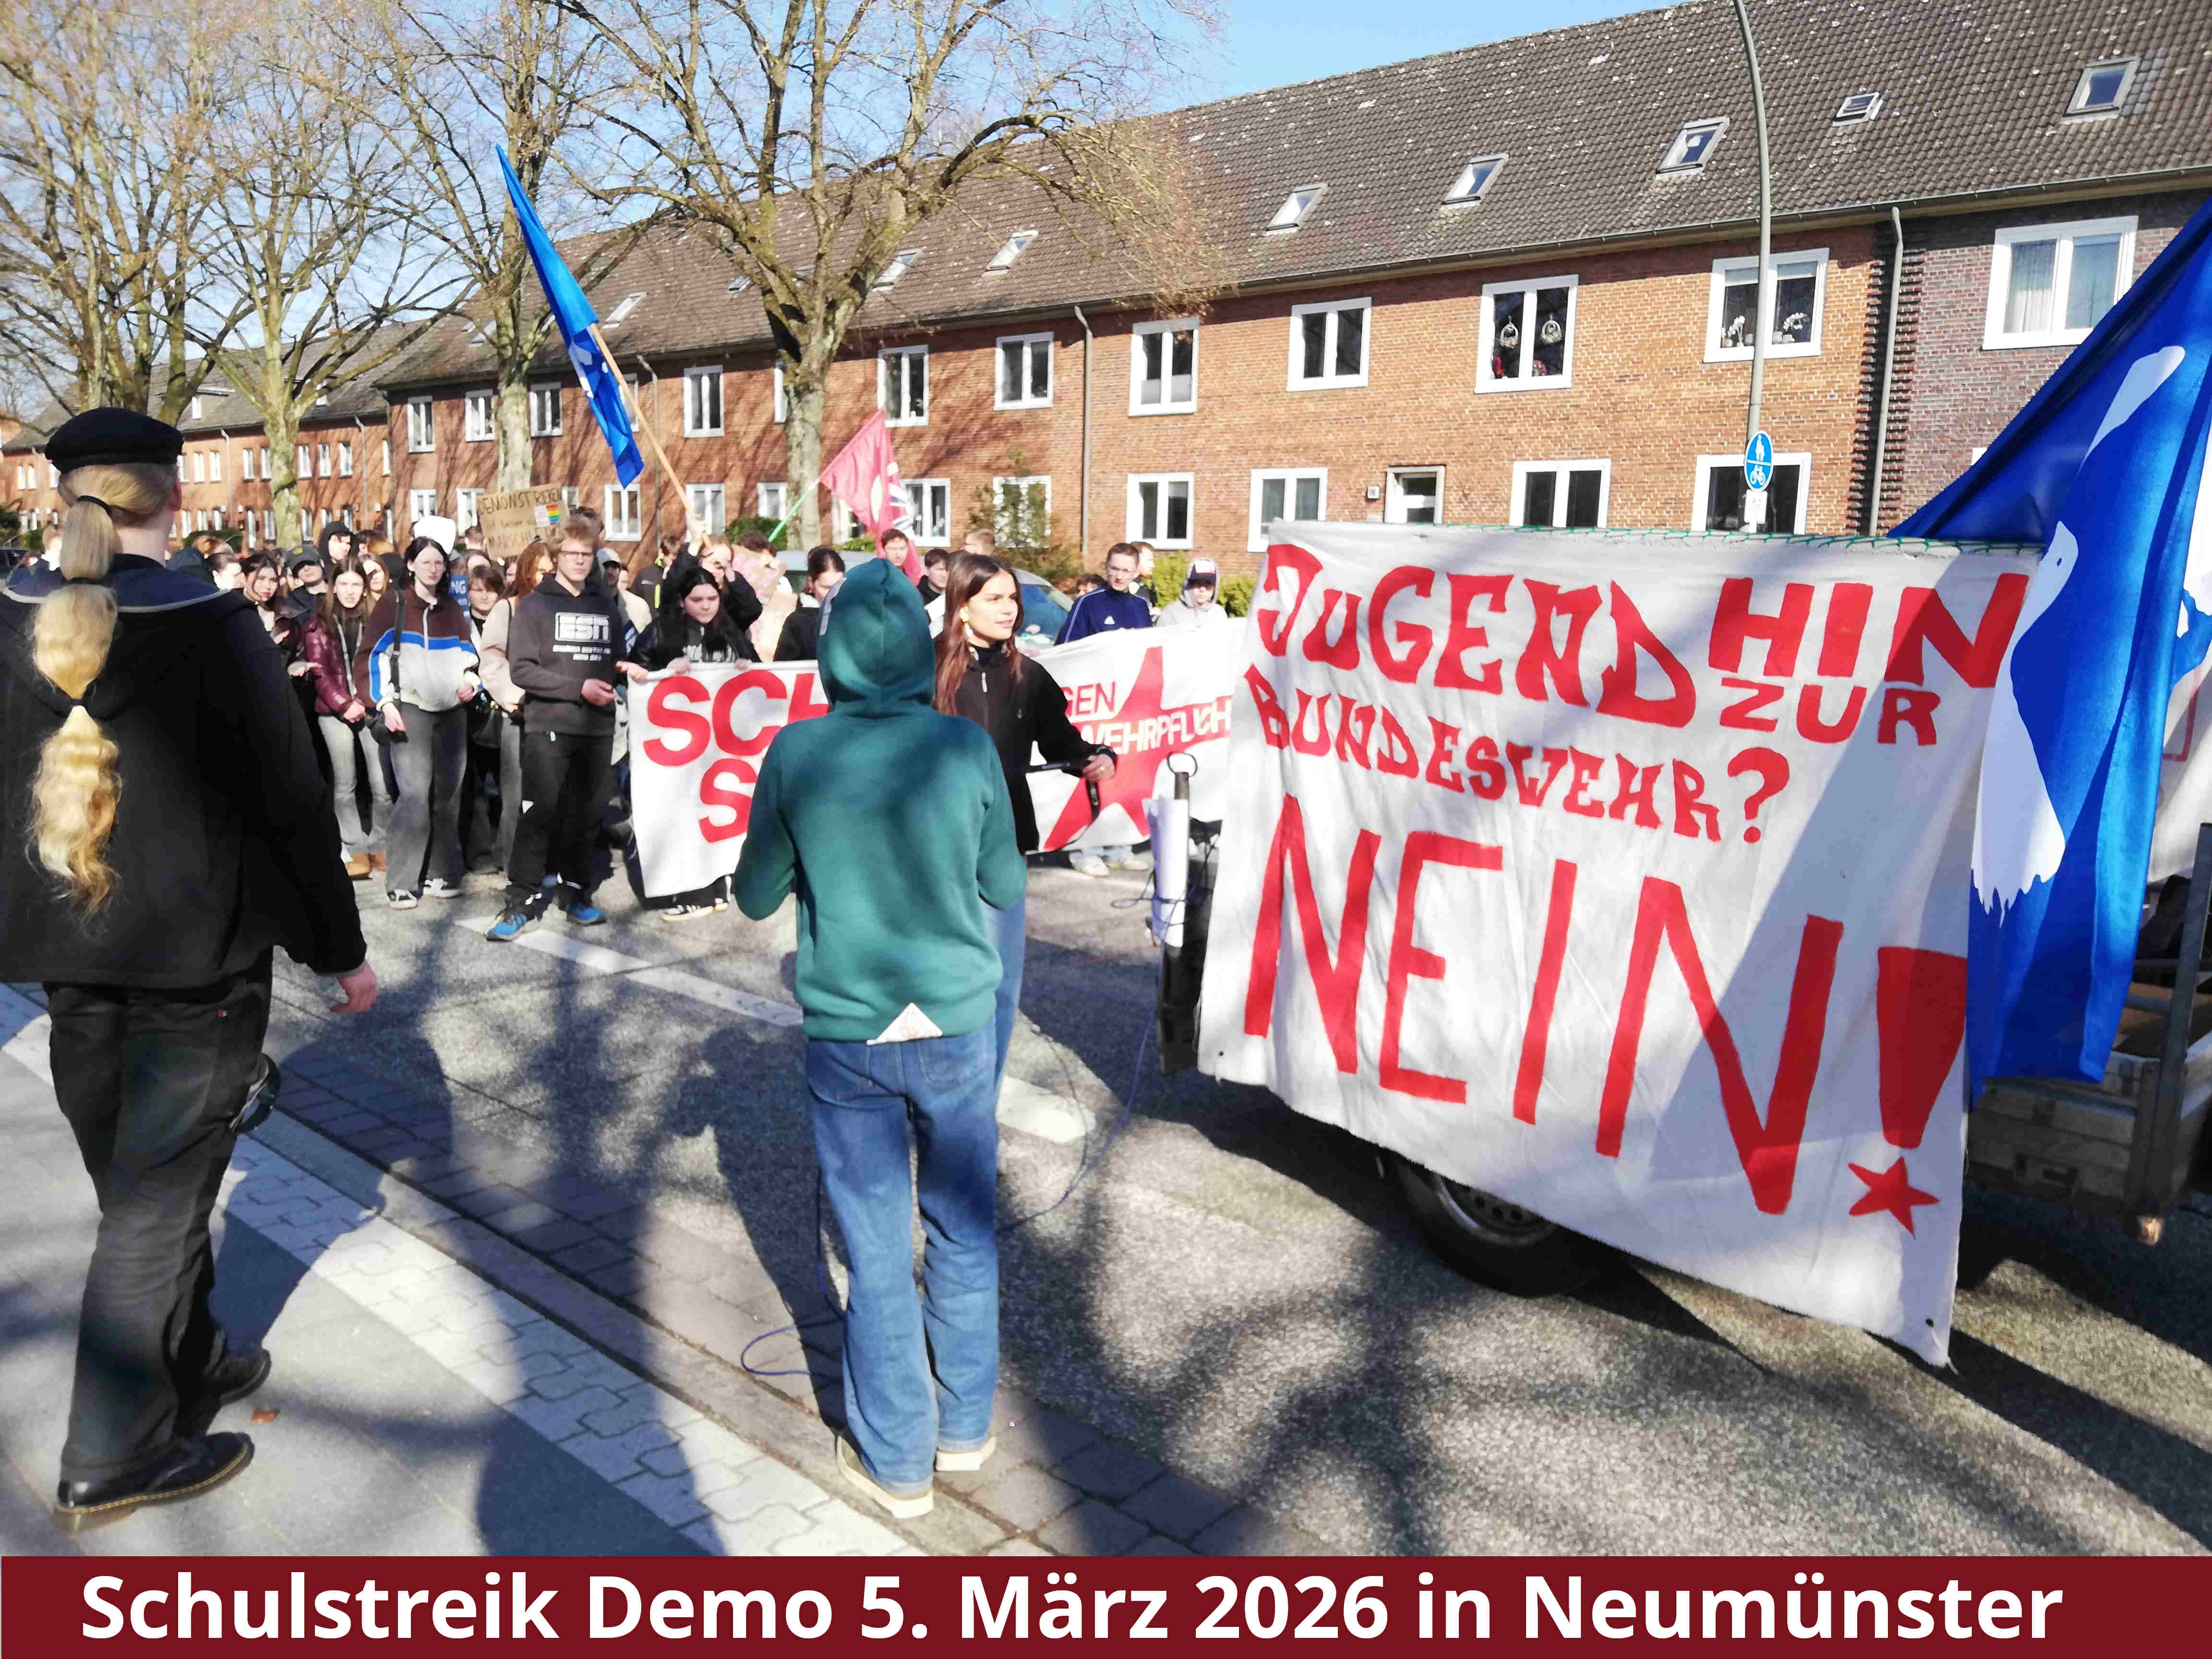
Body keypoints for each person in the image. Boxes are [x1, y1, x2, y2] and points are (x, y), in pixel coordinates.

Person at [0, 408, 375, 1532]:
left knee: (142, 1183)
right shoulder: (211, 620)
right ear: (174, 495)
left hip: (66, 960)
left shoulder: (10, 612)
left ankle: (195, 1355)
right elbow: (293, 798)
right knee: (154, 1206)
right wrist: (340, 950)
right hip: (194, 964)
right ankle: (109, 1451)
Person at [733, 558, 1023, 1520]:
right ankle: (966, 1429)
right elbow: (1005, 888)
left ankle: (898, 1461)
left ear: (837, 648)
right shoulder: (962, 747)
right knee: (963, 1229)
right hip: (954, 1021)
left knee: (871, 1239)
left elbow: (753, 893)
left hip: (850, 1030)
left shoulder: (797, 752)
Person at [935, 554, 1115, 1087]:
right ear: (961, 607)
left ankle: (979, 1104)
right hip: (936, 849)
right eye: (993, 598)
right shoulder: (924, 670)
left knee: (999, 984)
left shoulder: (1028, 675)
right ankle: (935, 1092)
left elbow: (1063, 742)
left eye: (1012, 598)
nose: (1009, 609)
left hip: (1005, 846)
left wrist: (1096, 757)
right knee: (943, 979)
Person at [488, 531, 646, 940]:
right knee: (538, 814)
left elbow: (611, 660)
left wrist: (627, 670)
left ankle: (576, 895)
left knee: (585, 817)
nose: (579, 560)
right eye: (571, 554)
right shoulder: (534, 606)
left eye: (586, 554)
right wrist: (578, 689)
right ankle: (519, 903)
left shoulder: (604, 605)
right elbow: (521, 670)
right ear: (557, 558)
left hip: (596, 728)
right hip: (549, 726)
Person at [365, 536, 481, 907]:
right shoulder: (393, 604)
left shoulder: (451, 609)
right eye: (426, 562)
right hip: (409, 707)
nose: (434, 569)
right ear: (411, 565)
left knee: (448, 796)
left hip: (452, 711)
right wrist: (384, 703)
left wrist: (471, 683)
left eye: (440, 563)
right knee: (414, 794)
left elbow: (470, 656)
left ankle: (440, 872)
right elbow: (369, 656)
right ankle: (402, 881)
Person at [636, 561, 751, 920]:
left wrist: (748, 667)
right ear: (682, 601)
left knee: (717, 815)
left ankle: (716, 889)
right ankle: (693, 891)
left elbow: (760, 677)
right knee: (682, 816)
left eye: (712, 598)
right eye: (697, 599)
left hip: (722, 748)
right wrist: (663, 673)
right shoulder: (661, 632)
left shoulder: (731, 631)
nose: (706, 606)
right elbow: (631, 671)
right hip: (676, 747)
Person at [1055, 542, 1153, 875]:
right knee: (1092, 771)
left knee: (1124, 774)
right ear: (1106, 567)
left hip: (1128, 705)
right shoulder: (1087, 604)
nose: (1120, 576)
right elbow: (1063, 652)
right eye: (1115, 568)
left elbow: (1149, 653)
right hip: (1094, 705)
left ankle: (1118, 844)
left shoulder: (1141, 606)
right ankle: (1084, 848)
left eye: (1127, 570)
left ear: (1137, 572)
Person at [297, 556, 392, 878]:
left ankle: (381, 845)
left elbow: (382, 662)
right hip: (334, 711)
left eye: (356, 585)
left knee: (381, 785)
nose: (350, 591)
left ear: (364, 587)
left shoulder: (376, 619)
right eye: (344, 584)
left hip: (369, 707)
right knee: (346, 784)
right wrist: (343, 704)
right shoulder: (317, 623)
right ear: (333, 587)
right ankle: (354, 850)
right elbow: (320, 673)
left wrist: (366, 702)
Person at [474, 539, 546, 875]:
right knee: (515, 796)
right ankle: (513, 864)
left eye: (553, 570)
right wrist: (513, 696)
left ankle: (544, 862)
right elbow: (491, 657)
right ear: (529, 571)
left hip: (554, 714)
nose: (547, 577)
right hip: (517, 714)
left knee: (547, 795)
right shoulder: (509, 607)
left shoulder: (565, 606)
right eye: (541, 570)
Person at [775, 546, 844, 660]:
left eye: (839, 586)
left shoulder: (859, 617)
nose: (834, 594)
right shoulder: (798, 622)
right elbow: (783, 668)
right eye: (826, 588)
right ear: (811, 583)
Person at [1156, 557, 1229, 628]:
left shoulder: (1219, 614)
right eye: (1198, 583)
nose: (1202, 589)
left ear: (1215, 587)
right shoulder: (1171, 613)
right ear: (1189, 585)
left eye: (1208, 584)